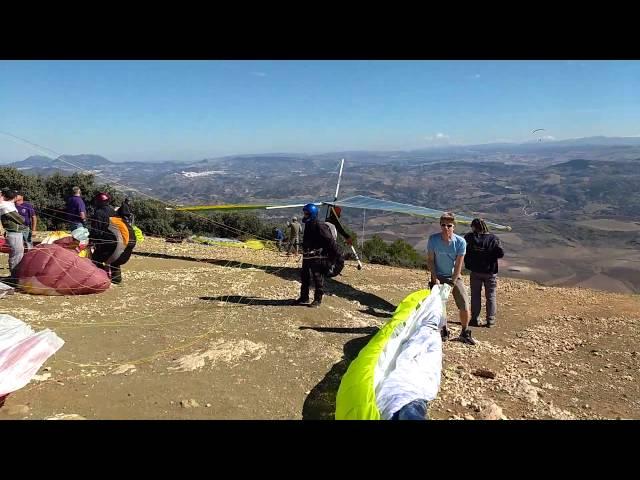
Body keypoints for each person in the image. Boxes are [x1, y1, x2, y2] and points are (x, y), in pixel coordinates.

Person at [426, 212, 475, 345]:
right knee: (439, 305)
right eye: (443, 225)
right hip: (438, 275)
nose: (446, 228)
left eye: (449, 225)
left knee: (464, 303)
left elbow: (459, 263)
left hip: (454, 276)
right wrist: (434, 278)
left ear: (454, 227)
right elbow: (431, 260)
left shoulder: (460, 242)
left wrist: (453, 282)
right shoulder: (433, 240)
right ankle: (443, 330)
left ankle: (465, 332)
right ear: (440, 226)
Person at [291, 203, 342, 308]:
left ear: (312, 214)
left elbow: (330, 242)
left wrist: (337, 257)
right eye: (304, 213)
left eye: (306, 214)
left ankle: (318, 300)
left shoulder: (319, 225)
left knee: (317, 278)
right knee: (305, 277)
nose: (304, 215)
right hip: (307, 256)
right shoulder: (308, 224)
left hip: (317, 257)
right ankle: (304, 298)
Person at [464, 218, 505, 328]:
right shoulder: (493, 239)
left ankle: (474, 319)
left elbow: (464, 246)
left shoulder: (470, 237)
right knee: (490, 296)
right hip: (490, 271)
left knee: (475, 295)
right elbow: (500, 253)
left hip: (475, 271)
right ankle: (490, 320)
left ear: (474, 227)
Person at [89, 192, 136, 285]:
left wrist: (90, 239)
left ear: (98, 202)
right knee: (114, 258)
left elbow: (96, 231)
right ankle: (117, 279)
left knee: (95, 259)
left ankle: (101, 279)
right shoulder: (113, 211)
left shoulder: (99, 213)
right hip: (124, 244)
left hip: (113, 243)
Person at [0, 189, 27, 280]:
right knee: (16, 255)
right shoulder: (7, 207)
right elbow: (20, 220)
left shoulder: (7, 205)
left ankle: (15, 276)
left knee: (18, 254)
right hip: (13, 233)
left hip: (14, 233)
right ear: (15, 197)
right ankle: (14, 278)